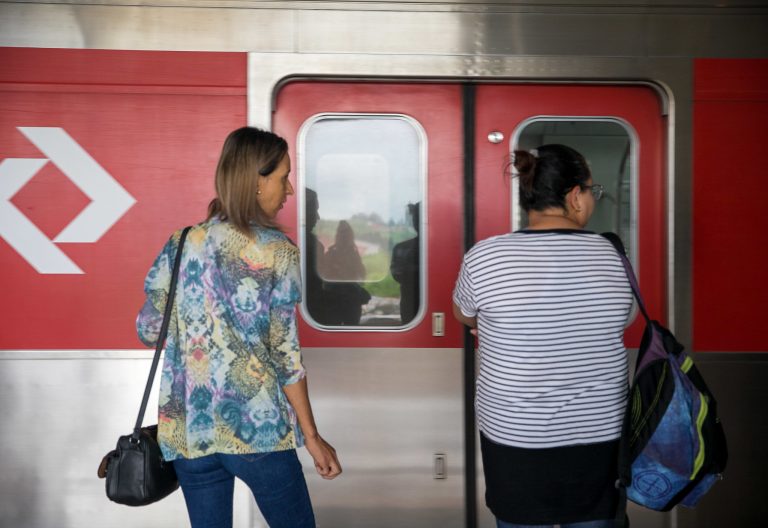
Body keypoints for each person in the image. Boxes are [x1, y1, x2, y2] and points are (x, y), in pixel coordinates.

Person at [136, 126, 341, 528]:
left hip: (190, 432)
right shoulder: (277, 252)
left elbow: (147, 329)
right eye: (283, 177)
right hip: (256, 427)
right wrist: (311, 437)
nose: (290, 190)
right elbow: (285, 354)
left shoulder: (181, 242)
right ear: (256, 181)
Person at [452, 144, 632, 528]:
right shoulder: (614, 256)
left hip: (515, 435)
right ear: (574, 196)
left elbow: (464, 315)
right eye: (592, 191)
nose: (592, 200)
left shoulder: (485, 256)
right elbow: (622, 319)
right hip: (597, 435)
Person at [322, 220, 371, 325]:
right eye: (341, 233)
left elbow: (362, 276)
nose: (344, 237)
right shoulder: (330, 254)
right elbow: (324, 276)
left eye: (346, 234)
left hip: (351, 298)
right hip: (334, 298)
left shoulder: (354, 255)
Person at [390, 202, 420, 324]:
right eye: (415, 217)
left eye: (417, 217)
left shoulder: (402, 248)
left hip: (409, 302)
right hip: (409, 302)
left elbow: (398, 273)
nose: (415, 221)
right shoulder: (401, 248)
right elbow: (397, 274)